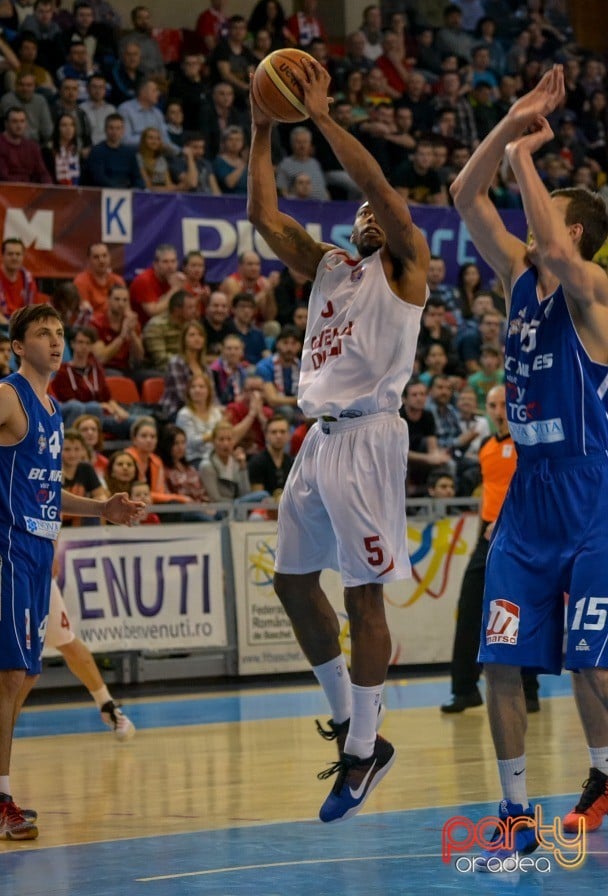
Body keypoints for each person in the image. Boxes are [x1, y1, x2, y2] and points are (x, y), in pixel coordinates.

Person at [248, 55, 429, 822]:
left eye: (373, 214)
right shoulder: (329, 267)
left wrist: (319, 117)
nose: (364, 217)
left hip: (369, 441)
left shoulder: (406, 267)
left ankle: (364, 747)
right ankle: (351, 727)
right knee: (293, 584)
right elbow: (265, 219)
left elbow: (382, 193)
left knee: (362, 596)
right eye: (357, 217)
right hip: (317, 441)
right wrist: (261, 127)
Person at [450, 64, 608, 866]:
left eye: (548, 217)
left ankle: (605, 774)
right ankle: (514, 814)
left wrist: (525, 158)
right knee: (498, 660)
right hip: (527, 496)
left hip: (591, 494)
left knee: (593, 665)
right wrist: (508, 123)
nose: (532, 223)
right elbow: (460, 197)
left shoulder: (595, 292)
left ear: (576, 233)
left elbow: (545, 237)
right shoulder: (517, 279)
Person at [0, 305, 144, 841]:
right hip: (3, 541)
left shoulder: (51, 408)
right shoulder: (3, 396)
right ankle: (1, 801)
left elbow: (47, 489)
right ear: (18, 345)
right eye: (42, 333)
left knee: (30, 671)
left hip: (40, 545)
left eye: (60, 333)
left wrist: (101, 509)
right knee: (7, 672)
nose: (55, 340)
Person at [440, 385, 539, 715]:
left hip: (521, 537)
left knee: (517, 612)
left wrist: (504, 521)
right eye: (493, 404)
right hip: (487, 539)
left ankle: (529, 689)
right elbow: (490, 490)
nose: (499, 410)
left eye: (504, 404)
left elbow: (532, 489)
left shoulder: (528, 443)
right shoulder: (484, 446)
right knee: (469, 607)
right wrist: (484, 521)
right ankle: (464, 688)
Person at [248, 414, 293, 498]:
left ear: (288, 435)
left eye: (282, 432)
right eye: (274, 432)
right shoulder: (257, 462)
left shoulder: (292, 463)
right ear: (266, 435)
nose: (278, 436)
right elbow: (257, 498)